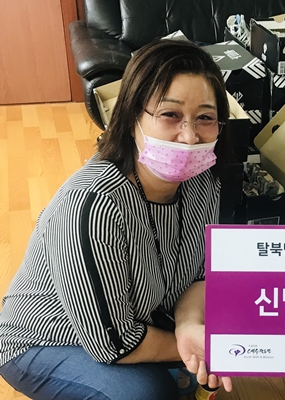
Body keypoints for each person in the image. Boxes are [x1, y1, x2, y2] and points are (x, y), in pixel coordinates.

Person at [0, 39, 234, 399]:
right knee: (146, 393)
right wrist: (197, 348)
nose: (189, 137)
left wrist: (190, 326)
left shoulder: (202, 181)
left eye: (205, 118)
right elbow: (111, 342)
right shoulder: (93, 205)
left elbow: (200, 274)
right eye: (170, 115)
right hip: (47, 339)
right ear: (131, 118)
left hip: (138, 316)